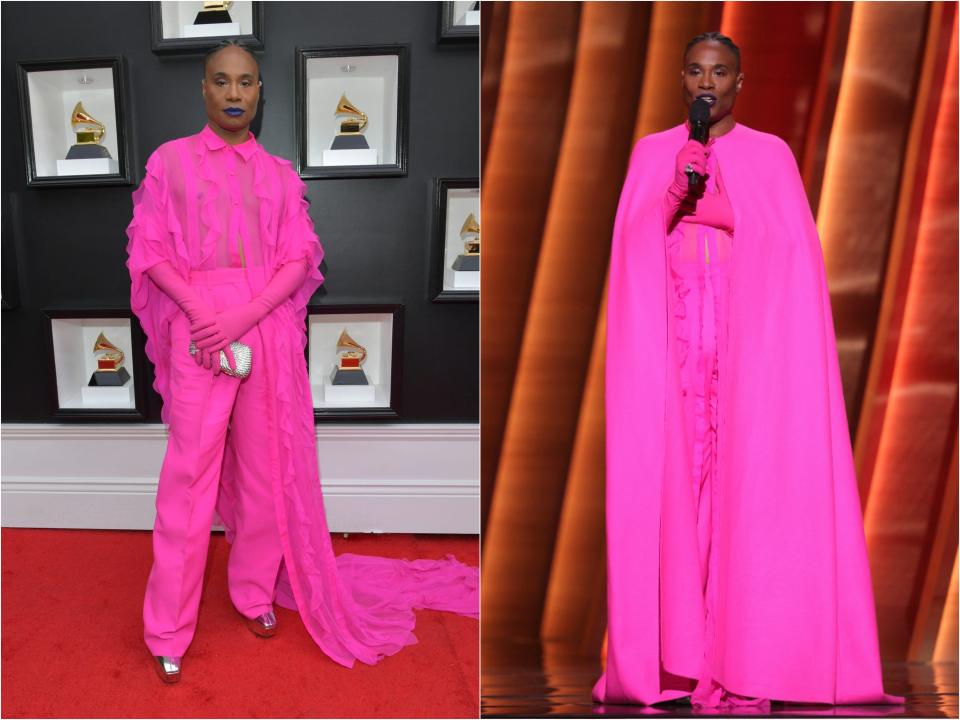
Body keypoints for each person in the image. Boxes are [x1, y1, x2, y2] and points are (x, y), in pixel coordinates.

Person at [125, 39, 478, 684]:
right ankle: (166, 627)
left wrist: (245, 312)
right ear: (203, 89)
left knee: (265, 475)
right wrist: (204, 313)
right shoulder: (168, 163)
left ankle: (253, 593)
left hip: (263, 330)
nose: (234, 93)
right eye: (222, 81)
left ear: (260, 93)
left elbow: (298, 260)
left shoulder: (281, 176)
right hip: (197, 328)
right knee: (188, 480)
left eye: (247, 83)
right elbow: (149, 251)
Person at [593, 32, 905, 708]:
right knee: (679, 486)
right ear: (683, 79)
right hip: (676, 343)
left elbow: (789, 252)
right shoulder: (654, 153)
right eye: (699, 70)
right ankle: (677, 655)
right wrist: (676, 186)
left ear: (741, 82)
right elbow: (632, 247)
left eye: (722, 72)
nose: (710, 82)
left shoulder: (771, 155)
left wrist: (712, 206)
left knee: (746, 492)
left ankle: (748, 654)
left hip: (746, 350)